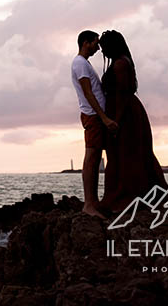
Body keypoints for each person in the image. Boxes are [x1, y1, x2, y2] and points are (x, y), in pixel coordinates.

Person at [97, 29, 167, 215]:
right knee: (132, 154)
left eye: (104, 47)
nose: (102, 52)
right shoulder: (121, 62)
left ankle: (125, 198)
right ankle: (141, 196)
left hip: (126, 116)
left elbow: (123, 95)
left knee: (127, 155)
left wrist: (115, 122)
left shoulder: (120, 64)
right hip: (126, 114)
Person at [71, 30, 117, 219]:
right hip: (93, 117)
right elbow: (88, 93)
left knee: (95, 158)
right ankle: (89, 205)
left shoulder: (84, 64)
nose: (98, 47)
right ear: (85, 42)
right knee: (91, 159)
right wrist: (104, 118)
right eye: (95, 43)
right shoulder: (80, 64)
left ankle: (93, 202)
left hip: (95, 116)